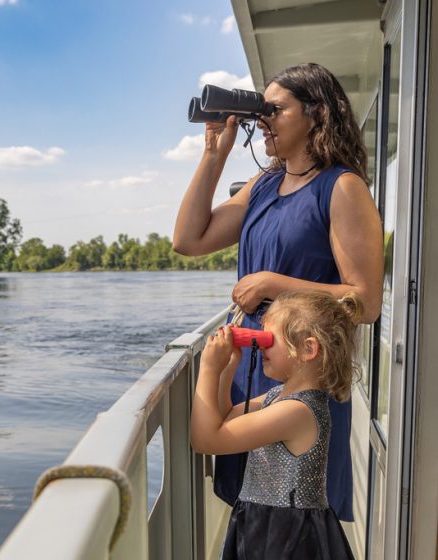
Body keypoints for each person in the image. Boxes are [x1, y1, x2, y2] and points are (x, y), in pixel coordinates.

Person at [173, 62, 384, 521]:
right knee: (250, 506)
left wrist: (274, 283)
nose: (262, 119)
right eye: (260, 109)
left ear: (316, 114)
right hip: (253, 366)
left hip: (302, 372)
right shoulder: (264, 184)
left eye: (275, 109)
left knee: (295, 514)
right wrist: (214, 155)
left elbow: (365, 302)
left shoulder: (342, 187)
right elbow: (188, 241)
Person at [191, 291, 361, 559]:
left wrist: (208, 368)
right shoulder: (278, 396)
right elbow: (224, 418)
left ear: (308, 349)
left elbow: (206, 440)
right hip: (268, 525)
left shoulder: (297, 411)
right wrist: (228, 369)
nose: (261, 345)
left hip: (286, 537)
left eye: (269, 339)